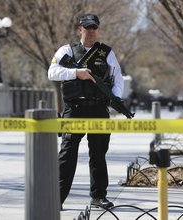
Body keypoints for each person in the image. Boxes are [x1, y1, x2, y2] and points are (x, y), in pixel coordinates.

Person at [48, 13, 124, 209]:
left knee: (98, 154)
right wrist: (76, 73)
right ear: (80, 29)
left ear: (98, 29)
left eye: (94, 28)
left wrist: (114, 97)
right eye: (87, 27)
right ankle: (56, 198)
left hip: (98, 109)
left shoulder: (106, 53)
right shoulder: (68, 50)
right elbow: (52, 72)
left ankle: (98, 196)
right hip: (75, 109)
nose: (91, 31)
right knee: (67, 154)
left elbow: (118, 78)